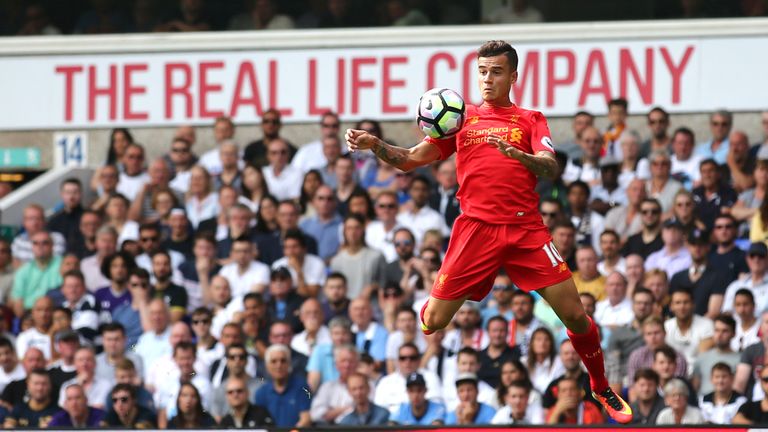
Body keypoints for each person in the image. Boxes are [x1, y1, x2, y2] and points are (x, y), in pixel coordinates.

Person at [347, 40, 631, 422]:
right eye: (482, 72)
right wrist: (375, 144)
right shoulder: (461, 119)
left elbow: (550, 166)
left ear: (513, 76)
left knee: (576, 317)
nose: (487, 79)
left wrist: (522, 157)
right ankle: (440, 296)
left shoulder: (531, 119)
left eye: (496, 72)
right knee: (433, 323)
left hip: (526, 230)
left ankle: (599, 385)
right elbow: (411, 159)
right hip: (476, 231)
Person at [254, 344, 311, 427]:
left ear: (289, 363)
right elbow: (259, 423)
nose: (279, 365)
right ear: (267, 366)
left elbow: (306, 419)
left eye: (283, 361)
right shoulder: (261, 393)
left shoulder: (302, 387)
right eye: (274, 361)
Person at [722, 242, 768, 317]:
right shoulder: (735, 286)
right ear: (747, 259)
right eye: (752, 256)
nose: (756, 260)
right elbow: (726, 314)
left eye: (761, 256)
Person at [734, 311, 768, 401]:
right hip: (754, 403)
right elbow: (739, 384)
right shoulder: (751, 350)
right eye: (767, 322)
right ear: (761, 327)